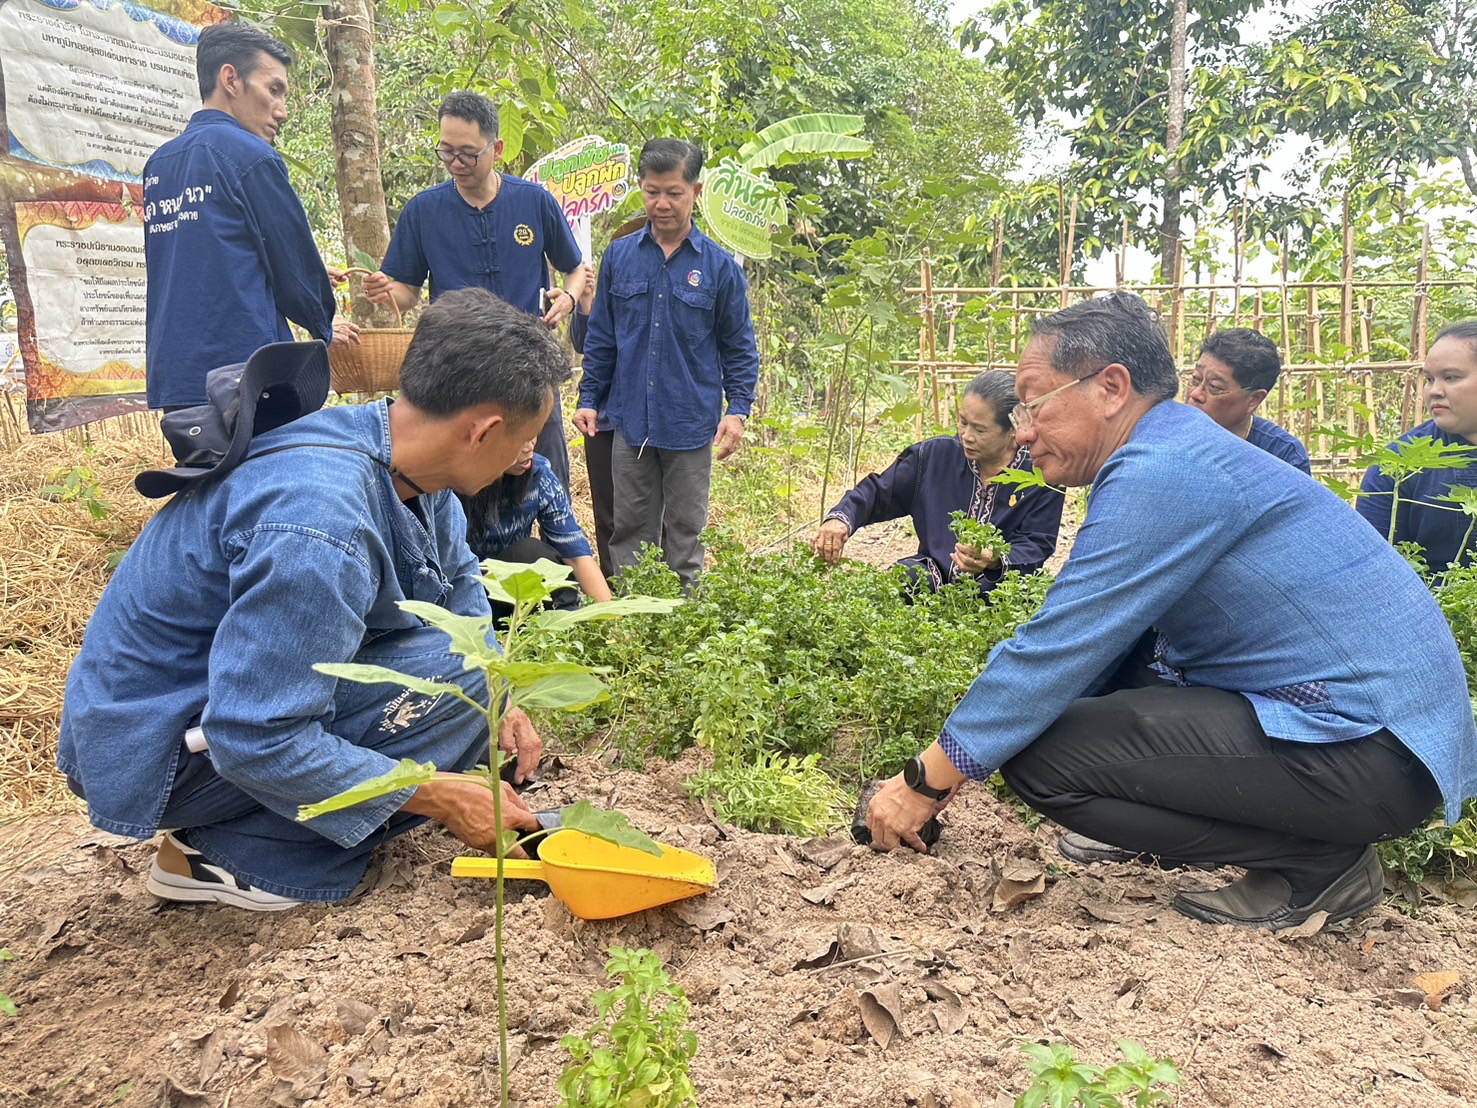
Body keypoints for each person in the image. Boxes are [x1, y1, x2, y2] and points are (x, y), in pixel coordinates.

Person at [864, 292, 1476, 932]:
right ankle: (1302, 847)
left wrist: (924, 782)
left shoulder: (1166, 470)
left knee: (1043, 760)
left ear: (1109, 387)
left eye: (1033, 403)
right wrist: (958, 751)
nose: (1023, 432)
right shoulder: (1175, 450)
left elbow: (1061, 644)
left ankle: (1317, 863)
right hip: (1372, 741)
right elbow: (1101, 646)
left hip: (1366, 750)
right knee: (1067, 719)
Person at [58, 288, 568, 910]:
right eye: (526, 439)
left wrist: (503, 700)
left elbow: (461, 597)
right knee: (451, 683)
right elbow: (253, 733)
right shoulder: (322, 524)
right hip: (161, 746)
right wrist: (432, 791)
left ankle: (286, 825)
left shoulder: (413, 467)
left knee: (473, 676)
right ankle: (234, 858)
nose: (527, 457)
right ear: (483, 430)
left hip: (209, 705)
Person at [364, 92, 586, 489]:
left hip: (530, 367)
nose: (456, 164)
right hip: (458, 373)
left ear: (496, 148)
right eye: (446, 152)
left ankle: (555, 550)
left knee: (546, 482)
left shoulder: (534, 202)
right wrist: (385, 291)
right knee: (459, 490)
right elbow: (407, 293)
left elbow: (575, 269)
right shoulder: (423, 211)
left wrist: (568, 298)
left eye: (468, 153)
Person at [573, 139, 760, 591]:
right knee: (629, 533)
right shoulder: (619, 256)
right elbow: (602, 339)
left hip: (689, 423)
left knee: (685, 535)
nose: (661, 204)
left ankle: (683, 626)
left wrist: (737, 411)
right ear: (640, 187)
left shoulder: (718, 269)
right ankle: (632, 626)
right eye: (652, 191)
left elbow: (740, 347)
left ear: (696, 191)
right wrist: (589, 398)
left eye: (674, 192)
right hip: (629, 422)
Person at [143, 23, 357, 416]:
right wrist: (324, 325)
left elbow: (207, 254)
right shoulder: (251, 156)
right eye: (274, 89)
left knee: (202, 477)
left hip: (177, 377)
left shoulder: (159, 164)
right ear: (231, 79)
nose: (283, 111)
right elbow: (293, 262)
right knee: (262, 475)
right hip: (245, 375)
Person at [811, 371, 1064, 592]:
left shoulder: (1041, 474)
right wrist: (841, 518)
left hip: (999, 590)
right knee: (905, 578)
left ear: (1012, 430)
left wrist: (995, 558)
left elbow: (1037, 541)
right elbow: (880, 491)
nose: (966, 436)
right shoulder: (935, 457)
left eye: (980, 429)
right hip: (934, 579)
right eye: (963, 422)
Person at [1357, 321, 1477, 572]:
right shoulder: (1398, 464)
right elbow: (1373, 568)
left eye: (1451, 378)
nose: (1434, 391)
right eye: (1430, 379)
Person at [462, 436, 614, 610]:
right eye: (520, 439)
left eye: (532, 436)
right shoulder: (453, 482)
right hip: (464, 592)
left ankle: (564, 623)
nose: (529, 448)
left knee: (532, 553)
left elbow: (576, 556)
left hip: (516, 590)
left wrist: (611, 620)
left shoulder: (540, 474)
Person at [1185, 328, 1311, 474]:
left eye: (1214, 387)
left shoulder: (1282, 455)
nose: (1195, 394)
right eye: (1195, 379)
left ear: (1253, 400)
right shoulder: (1166, 435)